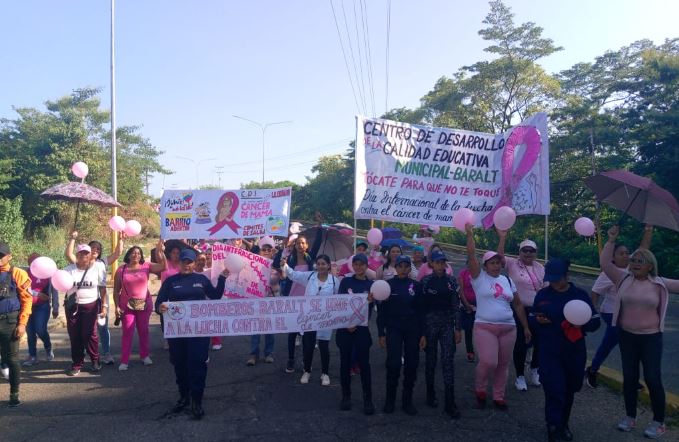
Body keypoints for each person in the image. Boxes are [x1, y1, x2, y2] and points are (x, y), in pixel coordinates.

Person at [601, 225, 679, 439]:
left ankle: (659, 422)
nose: (634, 263)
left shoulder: (660, 283)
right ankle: (630, 417)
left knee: (653, 379)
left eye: (639, 261)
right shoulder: (622, 279)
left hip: (651, 338)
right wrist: (611, 240)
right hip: (627, 336)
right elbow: (605, 263)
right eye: (633, 260)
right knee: (630, 377)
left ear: (650, 265)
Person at [532, 257, 600, 442]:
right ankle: (553, 426)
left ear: (566, 276)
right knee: (555, 388)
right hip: (549, 350)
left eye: (557, 278)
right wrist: (538, 321)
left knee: (569, 389)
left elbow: (595, 322)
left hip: (574, 351)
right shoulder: (543, 295)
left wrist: (581, 323)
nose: (554, 283)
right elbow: (532, 317)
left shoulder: (580, 295)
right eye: (551, 279)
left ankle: (563, 423)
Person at [155, 248, 228, 420]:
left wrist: (223, 278)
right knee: (179, 364)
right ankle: (183, 398)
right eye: (183, 262)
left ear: (195, 263)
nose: (186, 265)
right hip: (177, 332)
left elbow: (215, 296)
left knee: (197, 364)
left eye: (190, 262)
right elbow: (159, 303)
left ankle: (197, 400)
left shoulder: (201, 279)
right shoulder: (170, 282)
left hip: (199, 331)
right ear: (178, 263)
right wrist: (160, 308)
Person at [465, 224, 531, 410]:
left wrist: (525, 326)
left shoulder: (507, 280)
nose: (495, 265)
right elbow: (471, 255)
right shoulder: (478, 278)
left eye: (497, 262)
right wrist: (470, 234)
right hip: (485, 326)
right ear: (485, 266)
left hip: (509, 328)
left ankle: (499, 396)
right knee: (489, 361)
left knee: (503, 364)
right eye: (491, 263)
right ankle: (480, 389)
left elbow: (517, 304)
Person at [585, 225, 653, 388]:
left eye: (627, 253)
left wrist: (649, 229)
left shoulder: (633, 268)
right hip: (611, 313)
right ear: (613, 256)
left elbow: (644, 249)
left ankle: (597, 370)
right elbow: (595, 293)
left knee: (625, 345)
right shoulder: (609, 273)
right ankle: (593, 370)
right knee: (617, 342)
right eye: (621, 253)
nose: (626, 255)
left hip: (629, 314)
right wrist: (592, 312)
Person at [496, 230, 546, 391]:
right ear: (520, 252)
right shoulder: (512, 263)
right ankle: (519, 376)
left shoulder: (540, 267)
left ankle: (535, 370)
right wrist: (503, 237)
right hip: (519, 309)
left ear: (536, 253)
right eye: (525, 250)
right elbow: (499, 257)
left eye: (531, 251)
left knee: (539, 342)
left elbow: (546, 288)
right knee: (521, 343)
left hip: (538, 310)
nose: (528, 253)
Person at [66, 231, 123, 365]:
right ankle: (84, 356)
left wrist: (121, 239)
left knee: (100, 329)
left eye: (98, 248)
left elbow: (117, 254)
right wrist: (73, 238)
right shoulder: (78, 262)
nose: (95, 250)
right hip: (78, 303)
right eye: (93, 248)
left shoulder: (102, 263)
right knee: (85, 332)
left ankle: (105, 353)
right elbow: (69, 254)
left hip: (98, 302)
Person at [281, 254, 339, 386]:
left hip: (326, 319)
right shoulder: (310, 277)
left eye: (324, 264)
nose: (321, 266)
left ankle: (325, 374)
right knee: (308, 346)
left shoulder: (334, 281)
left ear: (329, 265)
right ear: (315, 265)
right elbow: (293, 275)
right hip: (309, 318)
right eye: (318, 264)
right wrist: (284, 265)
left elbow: (340, 299)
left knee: (324, 347)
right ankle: (307, 371)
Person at [376, 255, 423, 415]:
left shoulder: (416, 286)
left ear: (410, 268)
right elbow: (381, 312)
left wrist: (422, 334)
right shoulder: (387, 285)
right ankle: (390, 401)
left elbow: (421, 312)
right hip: (394, 328)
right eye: (400, 266)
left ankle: (407, 401)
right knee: (393, 364)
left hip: (412, 329)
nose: (403, 269)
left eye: (406, 266)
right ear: (395, 268)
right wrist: (381, 333)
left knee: (411, 364)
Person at [272, 227, 322, 373]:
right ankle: (291, 360)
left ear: (307, 246)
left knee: (307, 332)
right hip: (292, 298)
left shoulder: (310, 258)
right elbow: (276, 264)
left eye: (303, 243)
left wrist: (319, 226)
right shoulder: (290, 258)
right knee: (292, 331)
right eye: (298, 243)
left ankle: (307, 361)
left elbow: (318, 243)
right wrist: (282, 253)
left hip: (308, 299)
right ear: (295, 245)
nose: (300, 245)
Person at [420, 250, 462, 419]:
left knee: (447, 360)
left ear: (445, 263)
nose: (440, 265)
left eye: (443, 262)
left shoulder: (452, 281)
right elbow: (421, 308)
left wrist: (457, 329)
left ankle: (449, 401)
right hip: (430, 325)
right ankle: (430, 393)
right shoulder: (426, 281)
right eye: (437, 262)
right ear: (431, 264)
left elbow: (456, 306)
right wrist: (421, 333)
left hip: (446, 325)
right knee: (430, 360)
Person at [113, 246, 165, 371]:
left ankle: (145, 356)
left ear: (141, 256)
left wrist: (161, 251)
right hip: (127, 305)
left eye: (138, 253)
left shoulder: (146, 266)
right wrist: (116, 306)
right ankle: (124, 361)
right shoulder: (121, 269)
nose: (136, 255)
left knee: (143, 331)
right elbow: (116, 290)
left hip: (144, 304)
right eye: (133, 253)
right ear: (129, 255)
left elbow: (164, 267)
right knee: (127, 332)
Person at [336, 254, 375, 415]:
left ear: (366, 266)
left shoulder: (372, 285)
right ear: (353, 266)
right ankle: (346, 396)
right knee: (345, 363)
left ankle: (368, 399)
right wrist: (347, 323)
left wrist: (372, 301)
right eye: (356, 264)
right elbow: (340, 304)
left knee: (364, 365)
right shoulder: (346, 281)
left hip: (362, 329)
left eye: (361, 264)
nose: (358, 267)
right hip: (345, 328)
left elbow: (372, 309)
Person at [63, 244, 108, 376]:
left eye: (86, 253)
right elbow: (60, 285)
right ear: (76, 256)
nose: (84, 256)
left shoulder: (98, 268)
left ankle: (95, 360)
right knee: (75, 335)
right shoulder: (68, 270)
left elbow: (102, 289)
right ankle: (77, 363)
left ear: (90, 255)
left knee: (89, 334)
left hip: (91, 306)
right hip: (73, 307)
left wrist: (104, 306)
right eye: (81, 254)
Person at [0, 242, 32, 407]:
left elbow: (27, 300)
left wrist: (22, 323)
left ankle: (14, 394)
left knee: (11, 359)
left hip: (9, 321)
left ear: (9, 256)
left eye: (1, 255)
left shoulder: (17, 273)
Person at [22, 253, 59, 366]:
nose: (32, 263)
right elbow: (23, 288)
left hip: (42, 306)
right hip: (27, 306)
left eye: (35, 261)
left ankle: (48, 347)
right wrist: (37, 294)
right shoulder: (24, 273)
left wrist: (55, 307)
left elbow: (55, 290)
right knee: (30, 332)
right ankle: (32, 356)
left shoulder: (48, 273)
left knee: (40, 329)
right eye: (30, 261)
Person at [247, 236, 276, 366]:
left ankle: (268, 353)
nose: (266, 251)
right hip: (256, 301)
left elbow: (283, 279)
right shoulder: (253, 265)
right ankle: (254, 354)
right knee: (255, 329)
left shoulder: (276, 266)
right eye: (263, 249)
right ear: (259, 251)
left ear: (272, 251)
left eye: (268, 250)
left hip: (270, 301)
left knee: (269, 329)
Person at [458, 259, 478, 362]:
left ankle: (484, 351)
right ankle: (470, 352)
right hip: (466, 306)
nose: (472, 266)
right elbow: (461, 290)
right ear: (467, 264)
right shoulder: (463, 273)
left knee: (480, 330)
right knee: (468, 330)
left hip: (479, 307)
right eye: (470, 264)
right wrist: (466, 304)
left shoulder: (480, 275)